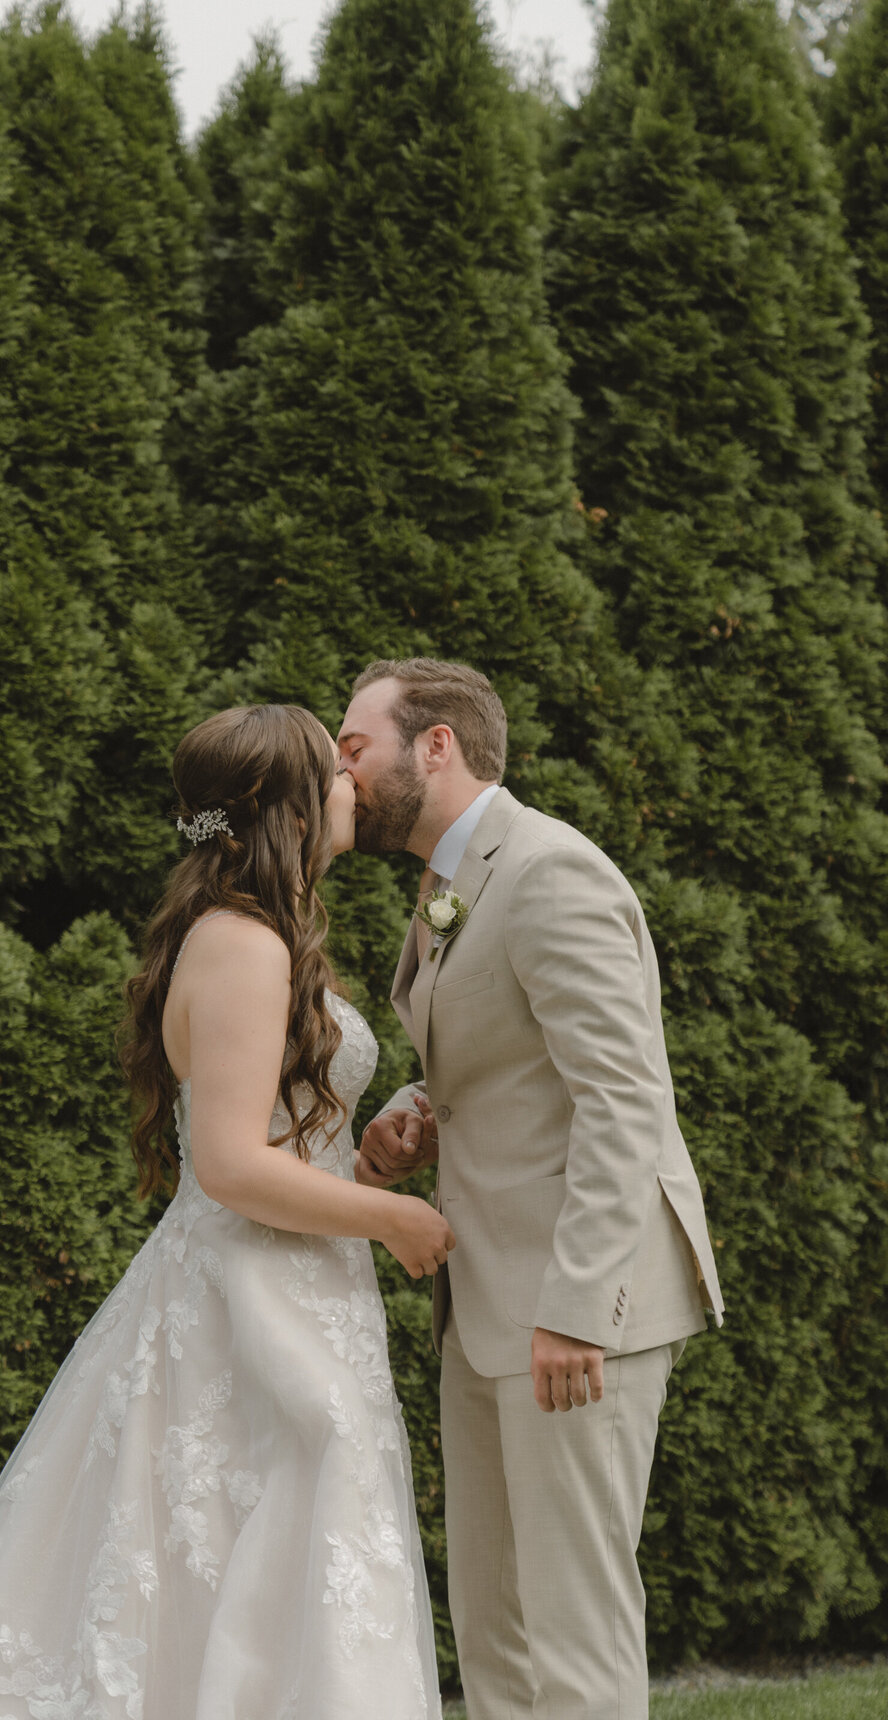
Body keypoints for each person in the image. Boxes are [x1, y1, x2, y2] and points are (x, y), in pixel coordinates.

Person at [0, 703, 452, 1720]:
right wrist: (391, 1221)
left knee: (279, 1564)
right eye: (335, 768)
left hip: (294, 1286)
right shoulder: (243, 943)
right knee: (244, 1557)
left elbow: (272, 1144)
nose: (353, 784)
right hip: (250, 1306)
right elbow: (226, 1164)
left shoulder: (259, 935)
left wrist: (367, 1169)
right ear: (289, 807)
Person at [341, 658, 724, 1720]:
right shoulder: (449, 882)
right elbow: (521, 1061)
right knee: (497, 1628)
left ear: (437, 745)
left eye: (354, 743)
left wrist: (574, 1311)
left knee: (573, 1634)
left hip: (574, 1307)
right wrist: (421, 1108)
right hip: (486, 1303)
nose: (342, 768)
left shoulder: (553, 870)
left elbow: (623, 1099)